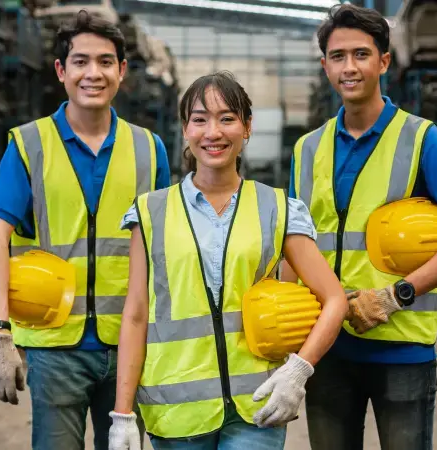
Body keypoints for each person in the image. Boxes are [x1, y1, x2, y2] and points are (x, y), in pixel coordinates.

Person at [283, 4, 437, 450]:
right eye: (338, 57)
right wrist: (288, 337)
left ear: (384, 61)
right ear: (325, 67)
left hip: (401, 350)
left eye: (361, 54)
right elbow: (295, 247)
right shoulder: (306, 150)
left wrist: (397, 295)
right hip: (328, 350)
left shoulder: (421, 139)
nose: (349, 67)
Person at [106, 71, 348, 450]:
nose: (213, 132)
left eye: (227, 118)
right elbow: (136, 314)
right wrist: (122, 414)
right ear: (186, 129)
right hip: (176, 411)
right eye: (200, 119)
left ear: (247, 127)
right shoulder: (150, 212)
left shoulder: (278, 208)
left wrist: (298, 371)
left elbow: (334, 299)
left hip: (257, 405)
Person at [0, 9, 171, 450]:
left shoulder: (149, 149)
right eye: (80, 61)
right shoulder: (29, 145)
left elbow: (165, 247)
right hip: (54, 345)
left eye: (105, 62)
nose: (93, 73)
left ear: (122, 71)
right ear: (61, 71)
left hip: (129, 342)